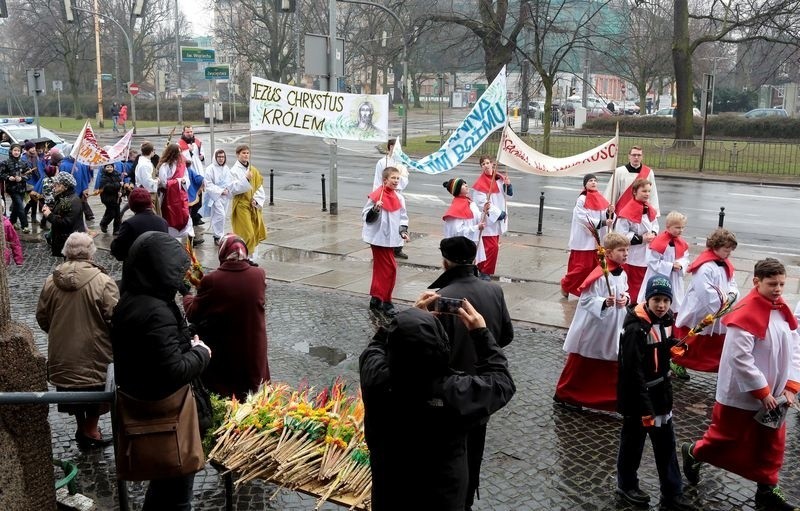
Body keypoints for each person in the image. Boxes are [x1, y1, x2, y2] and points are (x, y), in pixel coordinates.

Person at [359, 302, 516, 511]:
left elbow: (374, 347)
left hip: (390, 494)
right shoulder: (453, 393)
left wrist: (406, 320)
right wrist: (480, 333)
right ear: (442, 347)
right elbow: (502, 383)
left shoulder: (376, 378)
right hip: (442, 499)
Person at [682, 258, 800, 511]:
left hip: (777, 394)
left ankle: (767, 490)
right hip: (744, 395)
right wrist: (761, 390)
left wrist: (791, 384)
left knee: (772, 443)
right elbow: (740, 357)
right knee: (726, 439)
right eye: (772, 284)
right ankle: (694, 452)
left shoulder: (780, 309)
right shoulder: (746, 313)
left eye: (781, 284)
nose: (778, 289)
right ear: (757, 282)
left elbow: (794, 347)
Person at [111, 231, 212, 510]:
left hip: (148, 408)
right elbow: (174, 370)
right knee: (177, 495)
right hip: (168, 415)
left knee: (161, 490)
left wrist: (186, 337)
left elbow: (156, 348)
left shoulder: (133, 298)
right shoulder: (155, 309)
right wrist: (201, 353)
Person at [426, 235, 513, 510]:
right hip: (482, 390)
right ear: (474, 259)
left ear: (445, 262)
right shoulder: (495, 291)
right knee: (474, 453)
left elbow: (431, 351)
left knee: (447, 460)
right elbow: (506, 336)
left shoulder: (441, 298)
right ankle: (466, 500)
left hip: (450, 396)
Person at [616, 275, 695, 511]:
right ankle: (626, 485)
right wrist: (644, 409)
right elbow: (632, 372)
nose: (661, 305)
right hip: (638, 398)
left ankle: (673, 490)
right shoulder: (635, 329)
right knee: (633, 445)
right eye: (657, 300)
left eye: (665, 300)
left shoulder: (667, 319)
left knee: (666, 445)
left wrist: (673, 348)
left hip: (661, 395)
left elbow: (662, 346)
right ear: (647, 299)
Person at [36, 232, 119, 448]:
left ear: (66, 252)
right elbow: (115, 318)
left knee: (74, 393)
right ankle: (90, 432)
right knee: (95, 392)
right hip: (95, 353)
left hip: (63, 355)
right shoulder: (103, 282)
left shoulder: (50, 281)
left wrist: (59, 333)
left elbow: (42, 318)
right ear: (91, 253)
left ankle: (84, 428)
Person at [183, 234, 269, 400]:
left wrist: (187, 294)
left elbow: (193, 313)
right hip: (254, 345)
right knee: (253, 392)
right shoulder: (259, 275)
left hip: (226, 348)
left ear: (222, 254)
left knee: (228, 393)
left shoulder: (213, 280)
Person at [554, 233, 630, 412]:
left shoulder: (623, 273)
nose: (626, 253)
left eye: (627, 250)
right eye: (621, 250)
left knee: (612, 360)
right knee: (584, 362)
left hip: (614, 325)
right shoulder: (599, 276)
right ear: (609, 253)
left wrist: (625, 299)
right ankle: (567, 394)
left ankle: (610, 400)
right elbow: (586, 300)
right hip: (596, 327)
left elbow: (625, 291)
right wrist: (604, 302)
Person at [671, 228, 739, 379]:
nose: (729, 253)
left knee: (715, 343)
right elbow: (704, 290)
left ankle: (718, 367)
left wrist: (733, 294)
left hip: (721, 306)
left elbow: (732, 281)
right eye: (726, 249)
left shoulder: (724, 263)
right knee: (694, 340)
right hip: (702, 309)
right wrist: (722, 304)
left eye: (730, 250)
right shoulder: (705, 266)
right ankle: (678, 361)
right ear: (715, 247)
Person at [363, 166, 409, 317]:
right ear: (385, 180)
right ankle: (387, 301)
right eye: (393, 178)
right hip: (378, 238)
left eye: (398, 178)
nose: (396, 181)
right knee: (390, 269)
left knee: (381, 269)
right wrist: (375, 209)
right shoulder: (377, 196)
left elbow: (403, 216)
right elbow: (365, 217)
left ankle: (376, 298)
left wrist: (403, 231)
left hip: (391, 240)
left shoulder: (400, 197)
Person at [560, 173, 612, 298]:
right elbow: (582, 217)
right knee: (582, 267)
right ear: (585, 184)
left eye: (595, 180)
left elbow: (604, 214)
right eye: (590, 181)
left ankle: (588, 291)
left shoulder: (600, 197)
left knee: (595, 267)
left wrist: (609, 213)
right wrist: (602, 222)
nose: (593, 182)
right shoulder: (582, 199)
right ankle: (566, 284)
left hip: (596, 240)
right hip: (584, 240)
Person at [613, 178, 658, 302]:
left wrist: (653, 233)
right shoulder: (626, 212)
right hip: (634, 256)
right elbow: (621, 235)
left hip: (648, 253)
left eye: (649, 191)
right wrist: (641, 238)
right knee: (633, 286)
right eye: (644, 191)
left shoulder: (649, 208)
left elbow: (655, 224)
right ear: (635, 192)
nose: (647, 194)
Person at [471, 155, 513, 280]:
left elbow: (507, 195)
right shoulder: (480, 184)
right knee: (490, 248)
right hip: (488, 220)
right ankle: (484, 271)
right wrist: (497, 213)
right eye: (483, 164)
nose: (486, 165)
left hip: (498, 221)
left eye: (487, 163)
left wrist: (508, 185)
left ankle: (483, 271)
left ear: (492, 164)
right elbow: (482, 202)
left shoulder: (499, 178)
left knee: (492, 248)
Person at [637, 211, 689, 310]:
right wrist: (670, 266)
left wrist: (681, 264)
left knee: (674, 301)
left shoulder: (682, 243)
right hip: (658, 275)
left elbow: (685, 258)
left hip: (674, 277)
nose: (681, 230)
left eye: (682, 227)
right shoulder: (659, 241)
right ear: (668, 226)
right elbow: (652, 261)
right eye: (677, 227)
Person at [110, 187, 169, 261]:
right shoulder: (163, 222)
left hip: (137, 268)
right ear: (150, 203)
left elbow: (118, 251)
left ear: (131, 206)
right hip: (160, 267)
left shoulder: (129, 224)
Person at [373, 139, 409, 259]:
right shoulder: (382, 162)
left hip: (396, 195)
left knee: (398, 221)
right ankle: (382, 244)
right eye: (395, 148)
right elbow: (378, 179)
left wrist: (402, 175)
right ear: (390, 147)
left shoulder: (401, 163)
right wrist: (377, 195)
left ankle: (398, 248)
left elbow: (404, 182)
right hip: (384, 195)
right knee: (385, 222)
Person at [228, 145, 266, 256]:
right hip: (241, 206)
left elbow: (259, 187)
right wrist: (246, 179)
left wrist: (257, 200)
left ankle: (253, 258)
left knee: (254, 232)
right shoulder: (233, 171)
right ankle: (245, 256)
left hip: (253, 205)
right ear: (238, 155)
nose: (246, 155)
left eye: (247, 153)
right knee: (247, 233)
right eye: (243, 153)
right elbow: (232, 189)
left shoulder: (253, 169)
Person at [441, 178, 486, 266]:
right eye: (462, 184)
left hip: (472, 242)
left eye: (465, 183)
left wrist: (484, 211)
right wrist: (476, 228)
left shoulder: (470, 202)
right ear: (457, 189)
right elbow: (457, 232)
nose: (466, 185)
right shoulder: (456, 207)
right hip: (464, 247)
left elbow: (476, 218)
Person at [605, 146, 660, 215]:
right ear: (629, 156)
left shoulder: (649, 172)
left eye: (639, 155)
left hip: (641, 212)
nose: (636, 157)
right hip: (623, 211)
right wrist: (609, 209)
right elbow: (612, 192)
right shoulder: (619, 171)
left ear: (642, 157)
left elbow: (652, 194)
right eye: (634, 155)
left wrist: (654, 212)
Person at [42, 172, 86, 257]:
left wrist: (49, 215)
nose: (53, 186)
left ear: (64, 187)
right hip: (65, 238)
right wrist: (51, 209)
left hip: (70, 240)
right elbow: (60, 212)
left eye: (57, 184)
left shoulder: (72, 201)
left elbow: (66, 222)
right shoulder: (63, 197)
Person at [157, 143, 193, 242]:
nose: (180, 154)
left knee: (185, 214)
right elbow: (163, 183)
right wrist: (178, 181)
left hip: (181, 195)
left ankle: (188, 235)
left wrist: (183, 181)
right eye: (178, 152)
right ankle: (171, 238)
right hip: (168, 196)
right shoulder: (164, 165)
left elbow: (186, 177)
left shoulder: (181, 164)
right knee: (170, 216)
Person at [202, 149, 232, 245]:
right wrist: (220, 191)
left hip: (225, 196)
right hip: (215, 196)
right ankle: (217, 236)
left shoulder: (226, 168)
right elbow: (208, 184)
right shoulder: (210, 169)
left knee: (223, 216)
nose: (221, 159)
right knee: (220, 215)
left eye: (223, 157)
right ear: (215, 157)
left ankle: (219, 234)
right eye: (219, 157)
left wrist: (227, 189)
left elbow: (229, 180)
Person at [0, 143, 31, 233]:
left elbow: (29, 174)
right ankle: (24, 225)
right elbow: (1, 174)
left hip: (22, 188)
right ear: (11, 151)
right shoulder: (5, 162)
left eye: (18, 151)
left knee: (16, 207)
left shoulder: (23, 163)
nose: (16, 152)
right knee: (20, 206)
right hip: (12, 189)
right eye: (15, 150)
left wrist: (22, 178)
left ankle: (11, 222)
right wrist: (8, 177)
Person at [97, 162, 123, 235]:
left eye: (111, 167)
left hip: (117, 198)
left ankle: (116, 230)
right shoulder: (103, 177)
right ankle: (103, 223)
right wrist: (118, 184)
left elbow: (121, 187)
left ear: (113, 167)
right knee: (111, 213)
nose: (109, 168)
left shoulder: (117, 175)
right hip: (108, 198)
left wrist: (122, 193)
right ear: (104, 168)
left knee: (118, 214)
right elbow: (108, 187)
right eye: (107, 167)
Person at [2, 201, 24, 266]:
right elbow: (15, 242)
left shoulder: (6, 224)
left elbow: (14, 241)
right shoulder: (6, 224)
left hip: (3, 257)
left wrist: (18, 259)